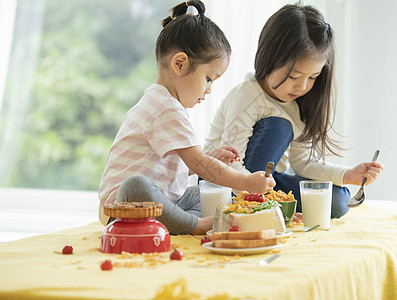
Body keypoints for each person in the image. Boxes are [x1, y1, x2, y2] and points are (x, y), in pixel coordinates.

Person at [98, 0, 275, 235]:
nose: (209, 89)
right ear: (180, 64)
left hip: (164, 201)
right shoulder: (165, 108)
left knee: (208, 195)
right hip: (123, 205)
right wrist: (247, 183)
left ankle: (177, 223)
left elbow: (172, 167)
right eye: (209, 78)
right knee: (137, 185)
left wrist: (210, 158)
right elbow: (198, 163)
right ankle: (195, 225)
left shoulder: (164, 103)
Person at [204, 4, 384, 218]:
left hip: (267, 181)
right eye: (293, 76)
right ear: (269, 58)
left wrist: (348, 175)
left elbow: (301, 162)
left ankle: (268, 206)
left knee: (338, 200)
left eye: (312, 77)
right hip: (224, 182)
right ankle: (257, 208)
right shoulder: (247, 95)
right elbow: (232, 162)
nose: (302, 87)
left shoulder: (298, 103)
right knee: (279, 127)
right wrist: (264, 197)